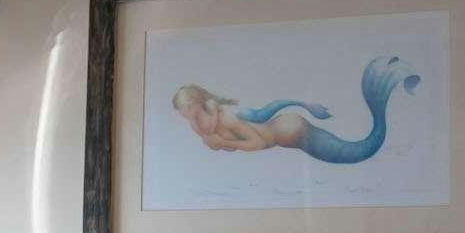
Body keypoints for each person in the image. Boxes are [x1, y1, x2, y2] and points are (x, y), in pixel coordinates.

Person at [170, 54, 418, 166]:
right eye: (183, 114)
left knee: (361, 150)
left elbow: (256, 143)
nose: (187, 118)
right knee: (360, 149)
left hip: (292, 131)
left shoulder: (227, 118)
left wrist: (227, 143)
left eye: (188, 111)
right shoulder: (207, 125)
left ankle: (381, 90)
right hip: (288, 130)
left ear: (197, 104)